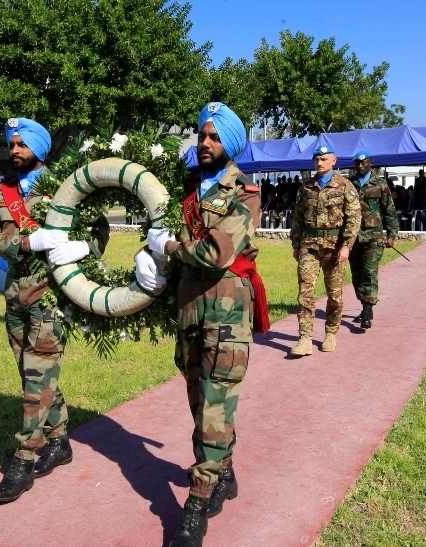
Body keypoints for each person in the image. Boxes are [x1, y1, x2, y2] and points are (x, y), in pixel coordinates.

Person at [146, 102, 269, 547]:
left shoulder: (245, 196)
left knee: (216, 406)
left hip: (225, 316)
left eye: (215, 138)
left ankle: (196, 505)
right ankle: (226, 473)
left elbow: (215, 253)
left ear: (230, 145)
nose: (205, 143)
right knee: (200, 403)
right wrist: (150, 253)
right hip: (190, 312)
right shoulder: (186, 193)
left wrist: (169, 246)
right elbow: (165, 234)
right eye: (202, 136)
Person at [0, 118, 109, 505]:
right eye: (11, 143)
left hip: (51, 296)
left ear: (39, 147)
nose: (15, 149)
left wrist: (85, 248)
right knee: (31, 372)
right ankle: (60, 441)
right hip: (15, 294)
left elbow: (98, 229)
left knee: (38, 375)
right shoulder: (1, 190)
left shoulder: (66, 187)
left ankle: (22, 460)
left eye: (22, 144)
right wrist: (25, 240)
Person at [289, 144, 360, 356]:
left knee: (334, 294)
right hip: (309, 245)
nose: (319, 163)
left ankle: (330, 333)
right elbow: (298, 218)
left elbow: (354, 218)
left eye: (324, 159)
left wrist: (347, 246)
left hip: (335, 247)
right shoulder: (307, 187)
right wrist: (296, 245)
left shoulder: (345, 186)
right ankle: (305, 338)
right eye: (317, 159)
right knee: (305, 293)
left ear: (334, 161)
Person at [348, 151, 399, 329]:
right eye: (357, 163)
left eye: (364, 162)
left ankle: (368, 311)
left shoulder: (380, 184)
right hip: (353, 237)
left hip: (374, 236)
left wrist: (392, 234)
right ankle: (364, 305)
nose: (360, 165)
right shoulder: (349, 184)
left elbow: (389, 210)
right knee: (357, 275)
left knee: (369, 273)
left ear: (371, 163)